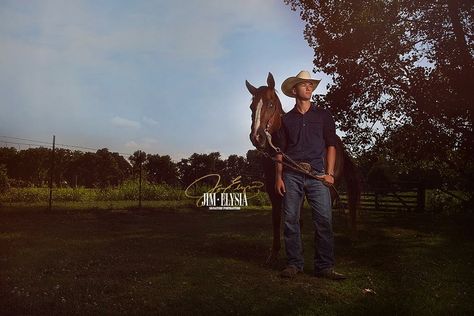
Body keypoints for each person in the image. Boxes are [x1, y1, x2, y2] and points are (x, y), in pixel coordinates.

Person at [274, 70, 346, 280]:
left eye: (311, 85)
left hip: (318, 175)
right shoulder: (285, 119)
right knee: (290, 220)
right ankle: (294, 264)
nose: (309, 87)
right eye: (304, 84)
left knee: (324, 220)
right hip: (292, 174)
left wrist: (330, 173)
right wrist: (279, 176)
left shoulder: (323, 115)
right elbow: (280, 151)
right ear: (294, 90)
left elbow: (331, 145)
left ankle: (324, 267)